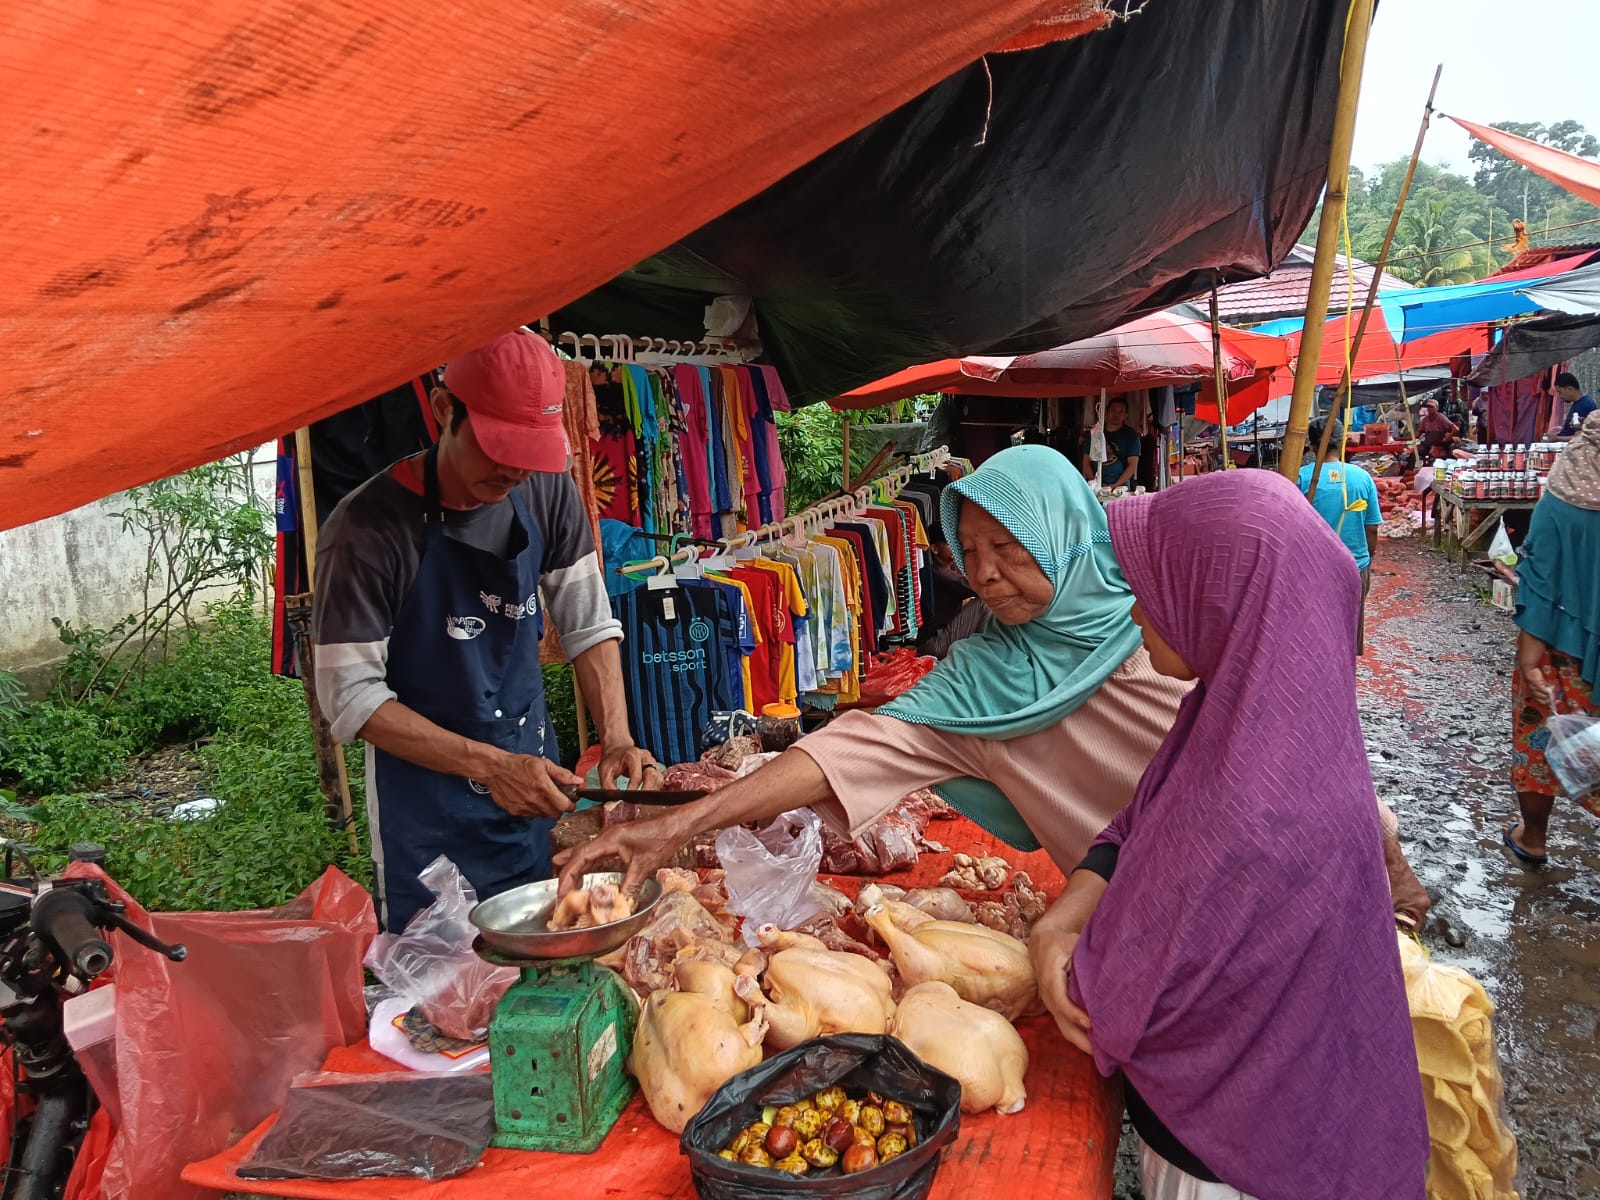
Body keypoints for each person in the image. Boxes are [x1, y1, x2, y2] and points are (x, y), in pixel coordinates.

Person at [556, 444, 1430, 926]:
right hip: (1163, 921)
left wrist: (1379, 846)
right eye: (969, 554)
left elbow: (1294, 701)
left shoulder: (1159, 608)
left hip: (1325, 863)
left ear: (1063, 532)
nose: (985, 575)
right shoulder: (980, 685)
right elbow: (842, 751)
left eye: (1009, 548)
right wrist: (677, 827)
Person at [1031, 470, 1429, 1200]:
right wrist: (1059, 923)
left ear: (1219, 598)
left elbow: (1120, 998)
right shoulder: (1256, 726)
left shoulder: (1254, 812)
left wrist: (1064, 957)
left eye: (1156, 588)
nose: (1137, 611)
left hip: (1229, 1161)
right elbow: (1134, 825)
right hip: (1278, 1123)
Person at [314, 330, 658, 930]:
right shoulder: (365, 530)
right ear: (444, 409)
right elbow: (349, 697)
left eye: (530, 453)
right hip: (425, 815)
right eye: (498, 448)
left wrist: (617, 736)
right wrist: (491, 766)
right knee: (441, 974)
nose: (513, 472)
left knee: (544, 941)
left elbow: (587, 621)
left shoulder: (546, 489)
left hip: (531, 788)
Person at [1504, 410, 1600, 865]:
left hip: (1560, 651)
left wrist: (1529, 660)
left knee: (1539, 739)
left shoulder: (1563, 497)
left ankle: (1533, 838)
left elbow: (1540, 579)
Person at [1296, 418, 1382, 656]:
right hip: (1355, 565)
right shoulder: (1362, 478)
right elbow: (1372, 528)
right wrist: (1367, 558)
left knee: (1314, 631)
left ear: (1311, 446)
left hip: (1312, 569)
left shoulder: (1300, 478)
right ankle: (1345, 670)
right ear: (1342, 441)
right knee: (1349, 630)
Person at [1081, 397, 1141, 489]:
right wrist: (1094, 483)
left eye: (1120, 411)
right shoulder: (1095, 433)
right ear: (1106, 412)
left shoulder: (1131, 436)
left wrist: (1114, 486)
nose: (1116, 414)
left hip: (1120, 487)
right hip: (1095, 486)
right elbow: (1086, 462)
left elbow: (1132, 465)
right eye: (1113, 410)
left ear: (1126, 415)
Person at [1554, 370, 1597, 439]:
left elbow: (1581, 437)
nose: (1560, 396)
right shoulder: (1578, 403)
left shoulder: (1584, 405)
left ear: (1569, 389)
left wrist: (1556, 438)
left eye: (1560, 392)